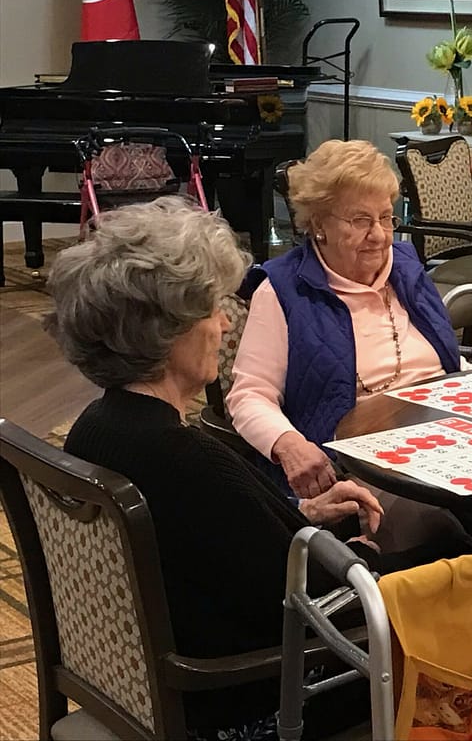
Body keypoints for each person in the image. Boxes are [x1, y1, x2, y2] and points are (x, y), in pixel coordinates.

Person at [46, 197, 391, 739]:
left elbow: (215, 542)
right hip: (245, 702)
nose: (224, 323)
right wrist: (369, 559)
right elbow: (309, 604)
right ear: (166, 330)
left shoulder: (97, 427)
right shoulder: (184, 459)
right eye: (210, 308)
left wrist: (304, 511)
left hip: (144, 680)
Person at [227, 139, 472, 554]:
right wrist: (288, 444)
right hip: (357, 464)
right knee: (435, 535)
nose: (379, 235)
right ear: (318, 223)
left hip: (449, 444)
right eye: (360, 220)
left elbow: (445, 361)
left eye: (386, 217)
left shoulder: (405, 266)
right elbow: (248, 395)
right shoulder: (283, 289)